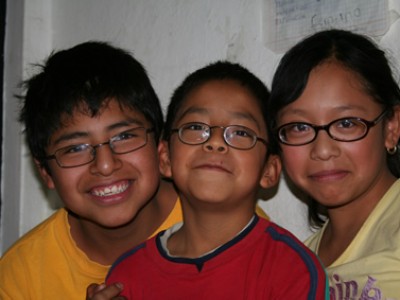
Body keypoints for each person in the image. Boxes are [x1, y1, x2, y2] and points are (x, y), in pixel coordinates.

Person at [0, 42, 269, 299]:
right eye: (74, 149)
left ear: (160, 145)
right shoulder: (21, 277)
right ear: (45, 172)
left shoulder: (231, 223)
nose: (105, 164)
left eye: (125, 136)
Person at [106, 61, 328, 299]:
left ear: (269, 170)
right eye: (195, 127)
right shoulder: (127, 276)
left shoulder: (290, 269)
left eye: (241, 132)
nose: (215, 141)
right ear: (165, 158)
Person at [267, 29, 400, 299]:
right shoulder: (293, 264)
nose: (323, 151)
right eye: (300, 127)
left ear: (391, 128)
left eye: (347, 123)